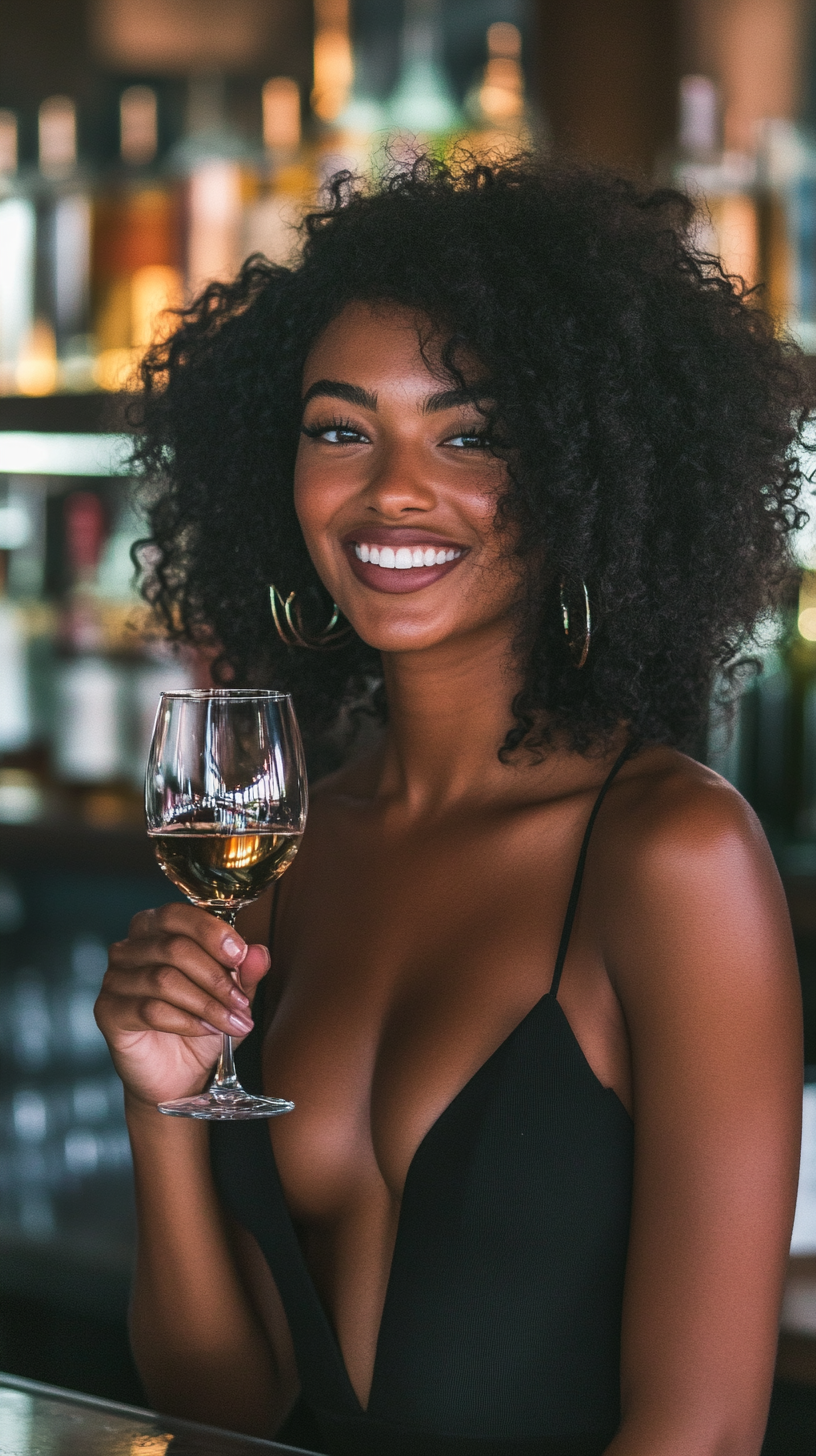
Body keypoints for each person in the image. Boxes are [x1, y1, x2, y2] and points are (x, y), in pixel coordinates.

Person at [96, 156, 809, 1456]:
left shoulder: (671, 856)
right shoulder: (279, 853)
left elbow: (699, 1433)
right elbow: (220, 1403)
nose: (393, 489)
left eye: (470, 433)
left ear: (590, 471)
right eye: (340, 427)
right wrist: (162, 1099)